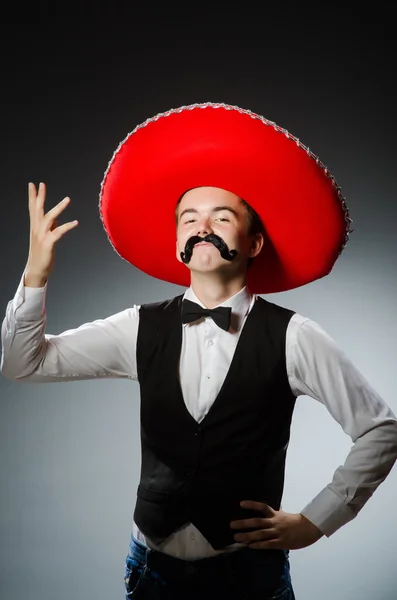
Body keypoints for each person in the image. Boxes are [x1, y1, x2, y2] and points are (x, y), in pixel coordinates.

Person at [2, 103, 397, 600]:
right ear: (177, 245)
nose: (201, 225)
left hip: (249, 577)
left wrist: (318, 520)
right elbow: (22, 363)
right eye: (189, 217)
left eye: (221, 215)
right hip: (150, 571)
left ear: (254, 244)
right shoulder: (138, 327)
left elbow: (380, 429)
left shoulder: (296, 336)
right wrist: (35, 275)